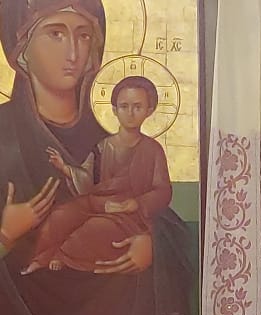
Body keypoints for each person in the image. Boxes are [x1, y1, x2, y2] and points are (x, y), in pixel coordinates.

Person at [0, 0, 193, 315]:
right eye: (56, 34)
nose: (73, 52)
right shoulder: (4, 136)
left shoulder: (119, 142)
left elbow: (167, 221)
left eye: (84, 35)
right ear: (22, 50)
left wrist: (152, 247)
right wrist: (5, 235)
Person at [23, 75, 172, 273]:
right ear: (115, 110)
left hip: (127, 214)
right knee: (61, 216)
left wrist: (137, 203)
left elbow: (163, 190)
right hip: (97, 203)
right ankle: (41, 257)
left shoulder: (152, 150)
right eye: (124, 106)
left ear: (149, 110)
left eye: (137, 107)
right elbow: (87, 178)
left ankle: (62, 255)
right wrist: (65, 168)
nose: (130, 113)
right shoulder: (103, 146)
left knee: (94, 229)